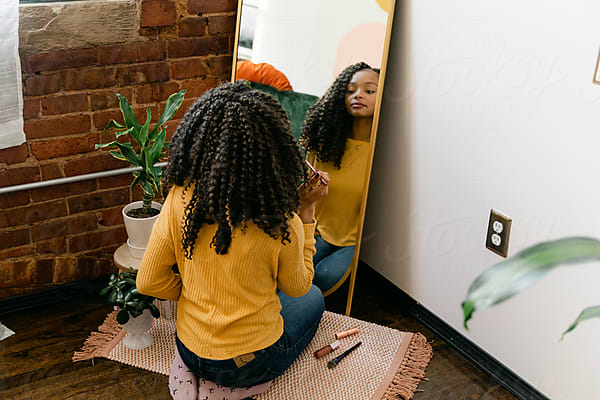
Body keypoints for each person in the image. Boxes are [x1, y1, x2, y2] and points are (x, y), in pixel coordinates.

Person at [136, 81, 329, 392]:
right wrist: (307, 211)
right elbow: (297, 287)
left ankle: (191, 374)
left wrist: (196, 293)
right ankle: (238, 390)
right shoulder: (282, 220)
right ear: (275, 151)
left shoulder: (178, 198)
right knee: (314, 298)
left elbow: (147, 282)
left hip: (190, 346)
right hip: (249, 363)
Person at [300, 62, 379, 293]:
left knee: (322, 280)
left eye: (369, 90)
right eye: (350, 90)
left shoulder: (384, 153)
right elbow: (303, 195)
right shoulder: (324, 144)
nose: (358, 95)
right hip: (316, 233)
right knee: (296, 276)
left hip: (355, 243)